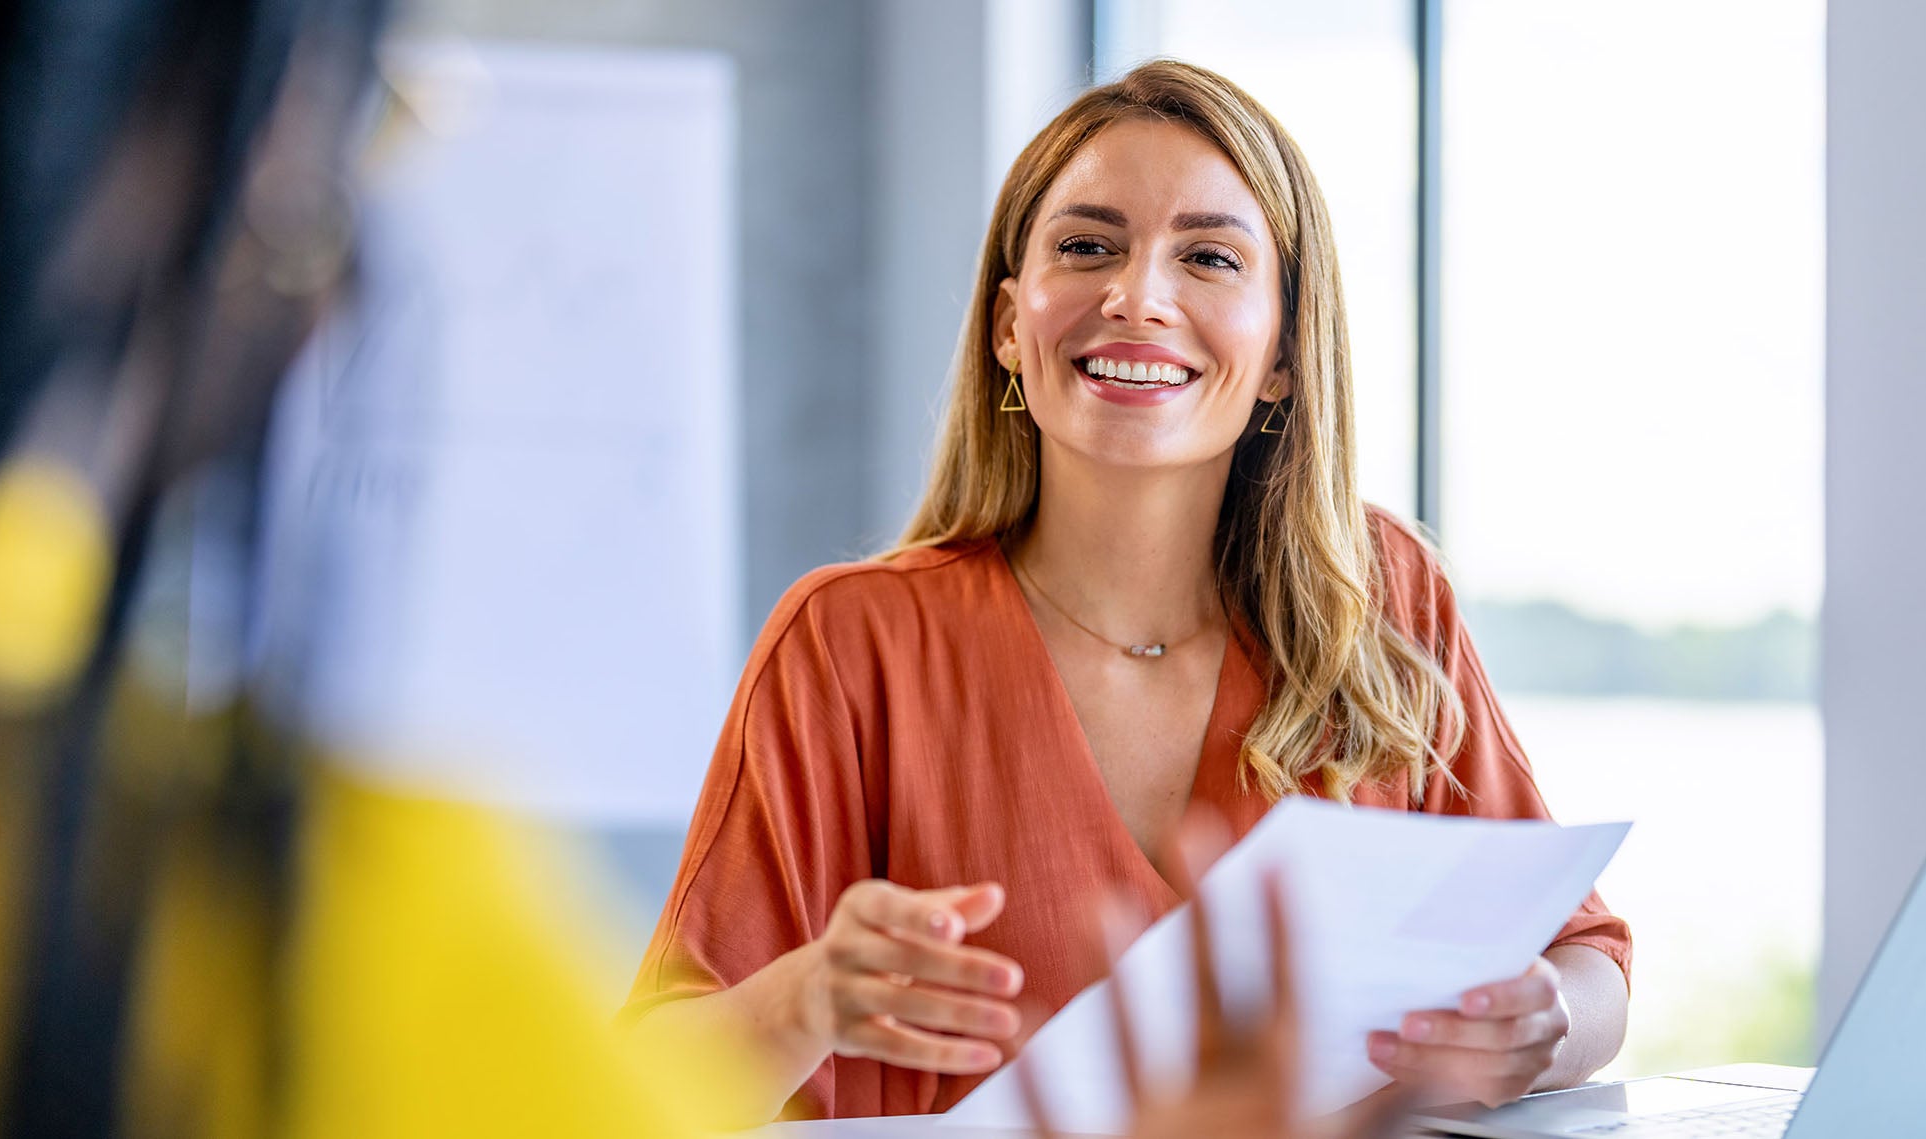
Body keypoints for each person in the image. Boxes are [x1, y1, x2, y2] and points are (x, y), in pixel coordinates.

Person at [620, 57, 1632, 1128]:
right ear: (1011, 326)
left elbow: (1587, 958)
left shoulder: (1377, 599)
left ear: (1284, 349)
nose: (1138, 296)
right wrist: (806, 997)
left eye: (1208, 257)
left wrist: (1546, 1022)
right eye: (1088, 247)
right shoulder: (849, 642)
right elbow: (624, 1090)